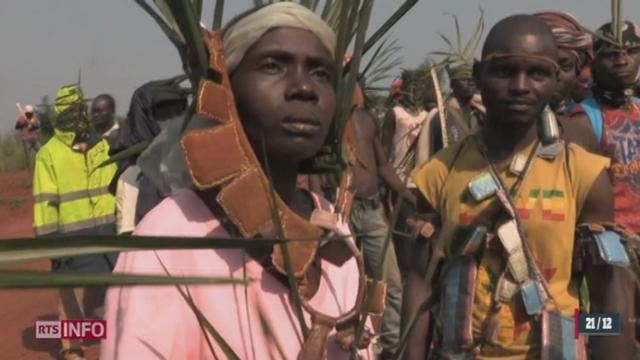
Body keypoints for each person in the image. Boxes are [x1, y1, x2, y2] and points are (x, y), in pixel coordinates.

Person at [101, 3, 374, 359]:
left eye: (321, 73)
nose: (305, 87)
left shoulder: (333, 228)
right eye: (273, 65)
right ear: (227, 91)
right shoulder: (169, 241)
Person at [403, 15, 632, 359]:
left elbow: (605, 292)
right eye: (504, 71)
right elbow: (420, 286)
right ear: (479, 74)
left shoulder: (583, 172)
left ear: (556, 79)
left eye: (537, 74)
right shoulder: (438, 173)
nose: (520, 86)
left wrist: (582, 332)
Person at [33, 84, 118, 360]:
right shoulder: (49, 153)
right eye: (71, 111)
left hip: (106, 233)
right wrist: (52, 248)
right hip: (71, 239)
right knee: (71, 298)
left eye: (80, 109)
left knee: (111, 296)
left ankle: (116, 342)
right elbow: (46, 204)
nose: (77, 115)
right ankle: (73, 350)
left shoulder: (101, 145)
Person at [349, 107, 415, 358]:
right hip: (340, 211)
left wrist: (410, 198)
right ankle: (348, 347)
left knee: (390, 284)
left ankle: (392, 349)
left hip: (372, 210)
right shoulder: (327, 115)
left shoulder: (365, 118)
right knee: (345, 284)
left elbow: (384, 167)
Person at [571, 20, 640, 233]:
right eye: (611, 54)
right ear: (593, 62)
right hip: (611, 236)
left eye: (632, 51)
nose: (622, 61)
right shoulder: (583, 118)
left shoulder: (637, 108)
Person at [381, 68, 429, 277]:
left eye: (419, 86)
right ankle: (404, 279)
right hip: (399, 183)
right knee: (404, 238)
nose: (415, 90)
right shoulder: (395, 114)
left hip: (423, 185)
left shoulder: (429, 115)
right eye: (412, 85)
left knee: (422, 238)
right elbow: (383, 152)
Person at [534, 11, 600, 154]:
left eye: (564, 65)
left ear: (577, 71)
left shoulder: (582, 134)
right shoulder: (495, 130)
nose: (553, 75)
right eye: (542, 66)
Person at [15, 104, 41, 173]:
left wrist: (32, 126)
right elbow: (17, 126)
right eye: (28, 112)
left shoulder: (34, 118)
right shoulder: (21, 118)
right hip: (26, 139)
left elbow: (38, 126)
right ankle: (30, 170)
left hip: (34, 139)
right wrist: (24, 124)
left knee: (41, 151)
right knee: (28, 156)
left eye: (31, 112)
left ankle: (39, 166)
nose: (30, 114)